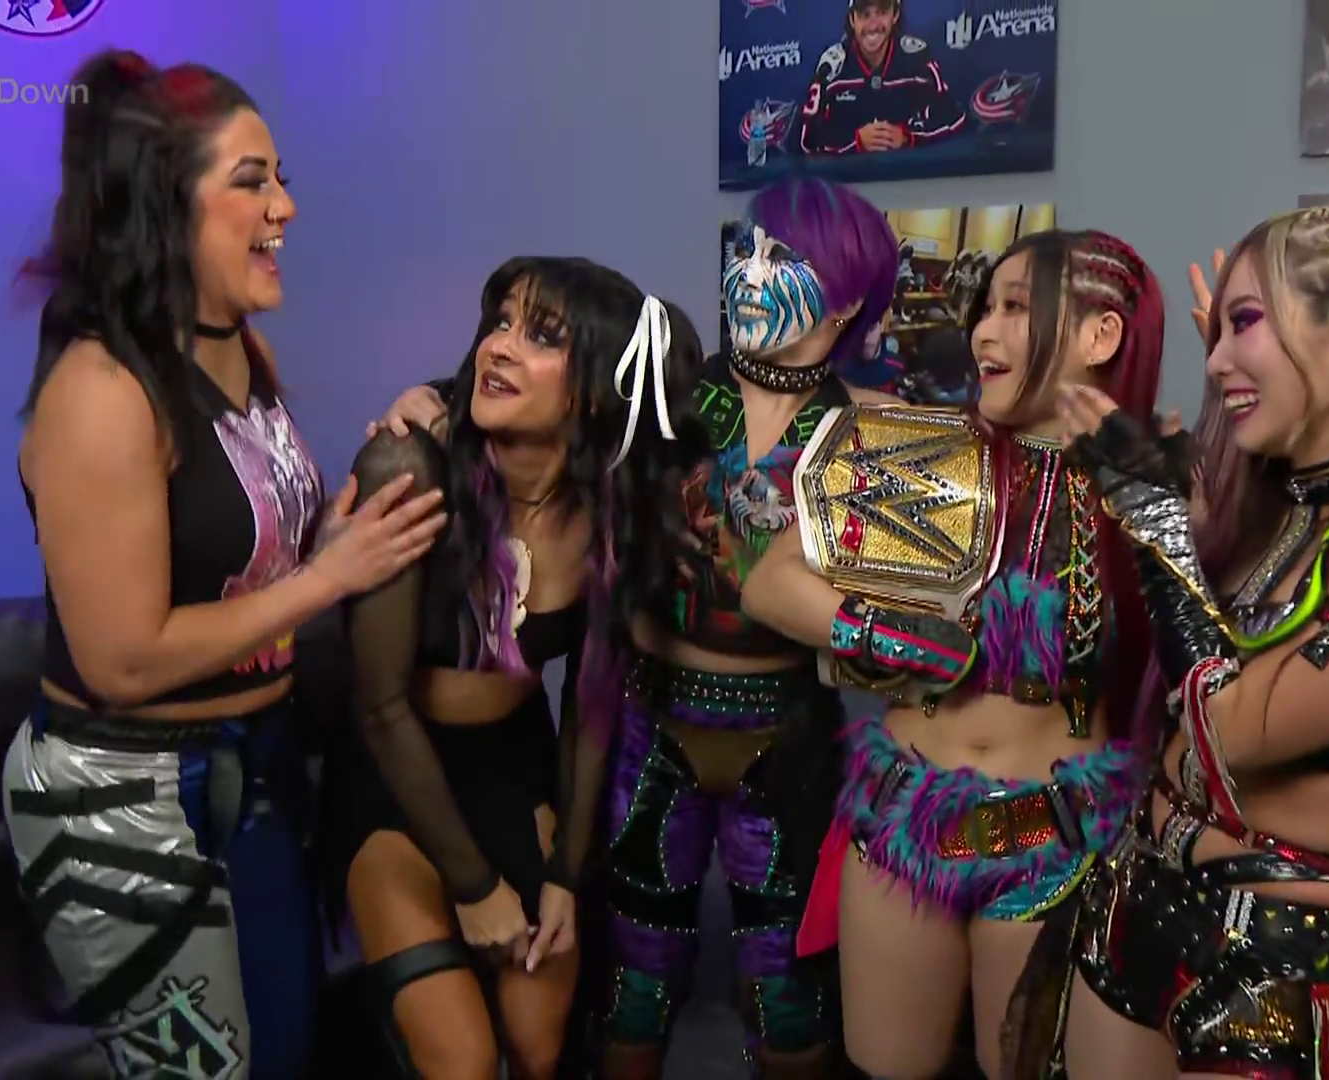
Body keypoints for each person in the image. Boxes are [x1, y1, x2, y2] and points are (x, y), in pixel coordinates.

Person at [377, 177, 902, 1079]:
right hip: (651, 721)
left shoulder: (877, 431)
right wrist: (428, 399)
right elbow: (539, 387)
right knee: (635, 982)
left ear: (847, 298)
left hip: (787, 733)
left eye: (784, 257)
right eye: (747, 247)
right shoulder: (669, 394)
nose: (752, 271)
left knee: (787, 995)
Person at [1, 49, 446, 1079]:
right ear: (166, 204)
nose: (285, 207)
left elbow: (244, 562)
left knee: (285, 1049)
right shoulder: (102, 391)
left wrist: (338, 536)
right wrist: (326, 582)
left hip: (259, 762)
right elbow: (122, 659)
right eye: (252, 182)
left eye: (281, 177)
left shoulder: (246, 351)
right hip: (125, 793)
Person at [1058, 199, 1329, 1080]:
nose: (1215, 358)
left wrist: (1154, 526)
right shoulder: (1283, 510)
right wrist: (1239, 403)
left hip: (1272, 959)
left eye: (1247, 321)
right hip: (1136, 902)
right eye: (1217, 332)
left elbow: (1228, 732)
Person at [742, 229, 1166, 1080]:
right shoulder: (927, 451)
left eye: (1016, 308)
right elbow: (770, 583)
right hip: (901, 820)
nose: (983, 333)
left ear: (1101, 335)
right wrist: (870, 630)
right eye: (985, 308)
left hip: (1055, 836)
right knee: (885, 1068)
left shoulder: (1147, 491)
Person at [321, 256, 710, 1080]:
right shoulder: (410, 469)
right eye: (500, 321)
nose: (499, 345)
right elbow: (380, 706)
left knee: (540, 1045)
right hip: (393, 776)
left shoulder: (610, 511)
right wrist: (473, 887)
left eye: (542, 335)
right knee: (463, 1060)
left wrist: (566, 875)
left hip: (510, 768)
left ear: (598, 389)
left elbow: (590, 709)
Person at [800, 0, 967, 156]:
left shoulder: (917, 59)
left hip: (906, 172)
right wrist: (856, 140)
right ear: (852, 19)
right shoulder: (832, 68)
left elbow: (954, 118)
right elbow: (807, 138)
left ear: (895, 15)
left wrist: (907, 136)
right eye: (865, 14)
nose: (873, 25)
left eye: (881, 12)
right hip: (848, 175)